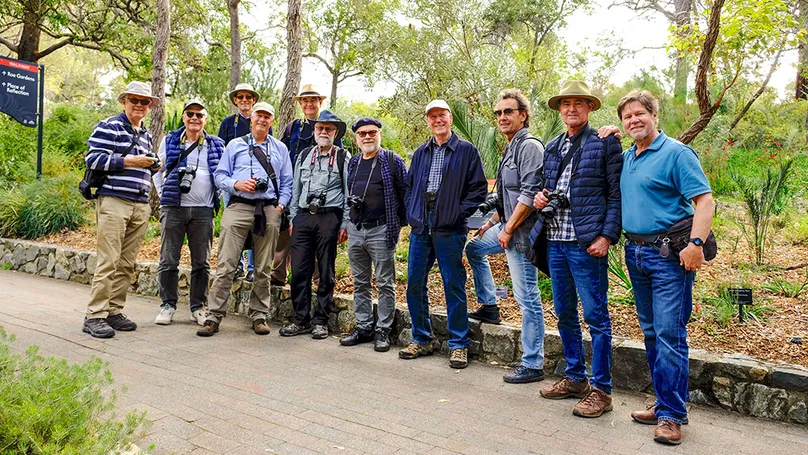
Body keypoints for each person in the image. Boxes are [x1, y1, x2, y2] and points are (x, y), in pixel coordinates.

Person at [618, 89, 714, 445]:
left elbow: (704, 201)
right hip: (635, 253)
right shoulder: (629, 156)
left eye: (640, 113)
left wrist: (696, 244)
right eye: (627, 117)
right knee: (651, 332)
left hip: (668, 256)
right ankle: (663, 403)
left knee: (670, 334)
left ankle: (672, 416)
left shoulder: (676, 153)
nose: (633, 121)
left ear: (654, 115)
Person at [532, 80, 623, 419]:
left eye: (579, 103)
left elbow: (616, 195)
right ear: (559, 109)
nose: (572, 108)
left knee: (596, 317)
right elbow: (547, 187)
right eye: (566, 103)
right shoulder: (553, 146)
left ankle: (602, 390)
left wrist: (607, 236)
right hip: (555, 241)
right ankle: (575, 378)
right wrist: (542, 198)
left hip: (586, 244)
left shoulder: (605, 143)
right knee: (565, 313)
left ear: (589, 109)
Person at [465, 88, 546, 383]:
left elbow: (528, 193)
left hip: (523, 234)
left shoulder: (530, 147)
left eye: (508, 111)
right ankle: (490, 306)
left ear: (523, 115)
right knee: (474, 248)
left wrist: (508, 228)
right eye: (498, 112)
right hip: (506, 226)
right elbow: (506, 196)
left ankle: (533, 363)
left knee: (527, 297)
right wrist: (493, 223)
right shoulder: (510, 147)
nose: (502, 117)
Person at [399, 100, 487, 369]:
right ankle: (422, 338)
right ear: (427, 121)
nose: (437, 120)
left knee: (453, 284)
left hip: (450, 227)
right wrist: (413, 212)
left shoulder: (466, 151)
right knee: (414, 282)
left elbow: (478, 189)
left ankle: (459, 344)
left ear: (450, 118)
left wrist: (457, 213)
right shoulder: (421, 152)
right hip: (421, 226)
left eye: (442, 115)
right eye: (432, 116)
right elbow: (409, 186)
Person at [197, 102, 292, 337]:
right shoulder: (235, 145)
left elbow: (288, 182)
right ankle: (213, 315)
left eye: (267, 116)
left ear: (272, 120)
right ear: (252, 119)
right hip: (238, 206)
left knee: (263, 266)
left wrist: (280, 206)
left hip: (269, 209)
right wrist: (236, 184)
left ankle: (259, 315)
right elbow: (219, 175)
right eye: (259, 115)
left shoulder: (280, 148)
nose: (262, 119)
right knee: (226, 264)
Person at [82, 81, 161, 338]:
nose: (139, 105)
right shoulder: (109, 126)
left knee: (127, 263)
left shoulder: (146, 133)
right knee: (109, 260)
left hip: (139, 202)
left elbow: (138, 165)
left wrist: (150, 166)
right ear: (124, 101)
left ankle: (114, 311)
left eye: (144, 101)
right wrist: (131, 161)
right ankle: (95, 315)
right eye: (134, 100)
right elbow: (93, 159)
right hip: (114, 200)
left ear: (149, 106)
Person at [279, 110, 351, 340]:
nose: (323, 132)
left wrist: (345, 223)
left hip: (329, 217)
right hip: (303, 217)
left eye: (328, 129)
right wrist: (293, 219)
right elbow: (296, 188)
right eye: (320, 128)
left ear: (335, 132)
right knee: (299, 270)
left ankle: (321, 320)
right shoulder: (303, 155)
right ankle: (300, 320)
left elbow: (348, 193)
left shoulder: (342, 157)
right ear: (314, 130)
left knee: (326, 272)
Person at [153, 100, 225, 326]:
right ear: (184, 117)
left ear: (206, 119)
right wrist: (163, 193)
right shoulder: (171, 140)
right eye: (190, 114)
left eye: (199, 115)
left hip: (204, 210)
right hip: (174, 207)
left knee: (202, 262)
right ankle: (168, 305)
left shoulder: (216, 144)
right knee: (168, 259)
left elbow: (222, 174)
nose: (194, 118)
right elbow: (157, 169)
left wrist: (218, 197)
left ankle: (198, 306)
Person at [338, 118, 408, 352]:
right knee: (360, 282)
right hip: (357, 229)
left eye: (372, 132)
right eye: (362, 133)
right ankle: (365, 326)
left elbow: (404, 193)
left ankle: (383, 330)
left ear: (379, 135)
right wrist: (347, 223)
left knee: (386, 282)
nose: (367, 137)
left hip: (381, 229)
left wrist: (397, 224)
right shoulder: (354, 162)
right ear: (356, 138)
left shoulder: (392, 160)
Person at [274, 85, 343, 287]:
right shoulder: (292, 127)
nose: (309, 104)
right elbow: (281, 157)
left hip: (323, 194)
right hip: (295, 187)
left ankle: (319, 279)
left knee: (317, 241)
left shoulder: (331, 126)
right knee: (286, 233)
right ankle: (278, 275)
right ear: (300, 104)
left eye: (313, 100)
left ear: (320, 102)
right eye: (305, 100)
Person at [218, 82, 264, 282]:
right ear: (235, 100)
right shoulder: (229, 123)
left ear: (253, 100)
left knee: (256, 223)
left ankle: (252, 268)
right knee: (233, 225)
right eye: (240, 97)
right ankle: (236, 265)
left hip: (255, 183)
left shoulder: (261, 121)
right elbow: (221, 151)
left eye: (248, 97)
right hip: (233, 183)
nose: (244, 100)